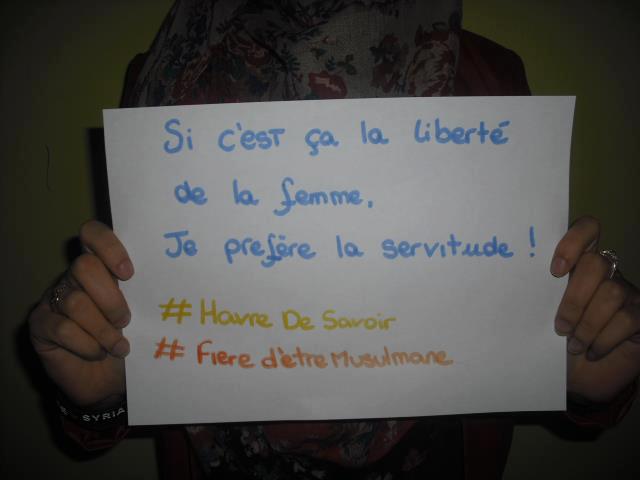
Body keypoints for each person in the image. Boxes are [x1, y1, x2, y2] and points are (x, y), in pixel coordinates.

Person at [28, 1, 640, 478]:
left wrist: (578, 367)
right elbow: (131, 368)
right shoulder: (165, 78)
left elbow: (524, 343)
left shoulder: (487, 76)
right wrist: (101, 394)